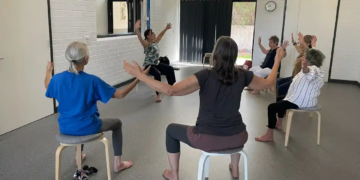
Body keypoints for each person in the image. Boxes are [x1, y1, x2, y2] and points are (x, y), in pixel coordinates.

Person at [123, 37, 286, 180]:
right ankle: (235, 168)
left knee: (170, 130)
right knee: (234, 125)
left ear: (215, 55)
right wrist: (277, 59)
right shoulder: (243, 75)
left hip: (207, 139)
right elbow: (269, 82)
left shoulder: (205, 75)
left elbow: (170, 90)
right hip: (239, 137)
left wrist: (141, 76)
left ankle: (174, 174)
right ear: (234, 55)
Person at [44, 42, 149, 173]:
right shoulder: (92, 81)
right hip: (89, 126)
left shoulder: (57, 79)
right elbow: (121, 95)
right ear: (86, 59)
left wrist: (48, 71)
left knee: (77, 119)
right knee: (117, 123)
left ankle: (78, 158)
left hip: (65, 127)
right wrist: (139, 78)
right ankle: (118, 163)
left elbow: (47, 85)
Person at [255, 48, 325, 142]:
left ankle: (269, 135)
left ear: (309, 60)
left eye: (304, 57)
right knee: (281, 98)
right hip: (307, 100)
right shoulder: (318, 69)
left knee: (271, 107)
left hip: (300, 101)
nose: (302, 58)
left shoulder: (313, 69)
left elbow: (309, 72)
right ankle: (279, 123)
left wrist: (304, 67)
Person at [135, 20, 176, 102]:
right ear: (148, 36)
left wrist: (166, 28)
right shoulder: (146, 44)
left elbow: (161, 35)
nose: (154, 34)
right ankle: (158, 95)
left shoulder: (155, 42)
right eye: (152, 33)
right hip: (149, 65)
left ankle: (170, 87)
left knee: (170, 69)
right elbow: (140, 38)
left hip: (157, 63)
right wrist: (137, 29)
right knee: (157, 74)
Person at [276, 32, 317, 101]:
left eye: (302, 41)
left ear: (308, 44)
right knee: (278, 82)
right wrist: (294, 42)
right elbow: (299, 49)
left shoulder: (309, 55)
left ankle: (284, 105)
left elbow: (310, 51)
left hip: (300, 81)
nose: (299, 42)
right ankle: (284, 102)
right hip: (295, 77)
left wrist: (304, 42)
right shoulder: (303, 52)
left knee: (281, 88)